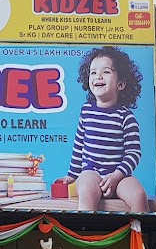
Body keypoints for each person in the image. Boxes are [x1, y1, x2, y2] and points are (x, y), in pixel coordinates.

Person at [59, 46, 148, 212]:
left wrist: (117, 175)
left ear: (121, 84)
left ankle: (138, 228)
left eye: (106, 72)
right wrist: (72, 174)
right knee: (85, 188)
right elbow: (78, 146)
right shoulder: (86, 111)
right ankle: (86, 226)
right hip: (91, 172)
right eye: (93, 72)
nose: (98, 76)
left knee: (139, 195)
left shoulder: (126, 117)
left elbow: (133, 153)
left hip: (119, 176)